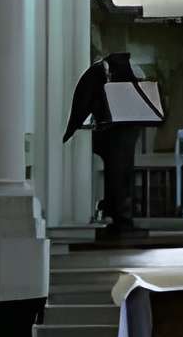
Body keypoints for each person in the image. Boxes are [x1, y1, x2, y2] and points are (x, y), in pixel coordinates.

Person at [63, 53, 165, 237]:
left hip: (111, 129)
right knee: (123, 174)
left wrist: (70, 130)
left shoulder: (97, 71)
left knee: (116, 174)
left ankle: (116, 216)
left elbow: (82, 102)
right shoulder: (130, 70)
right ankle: (122, 218)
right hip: (128, 127)